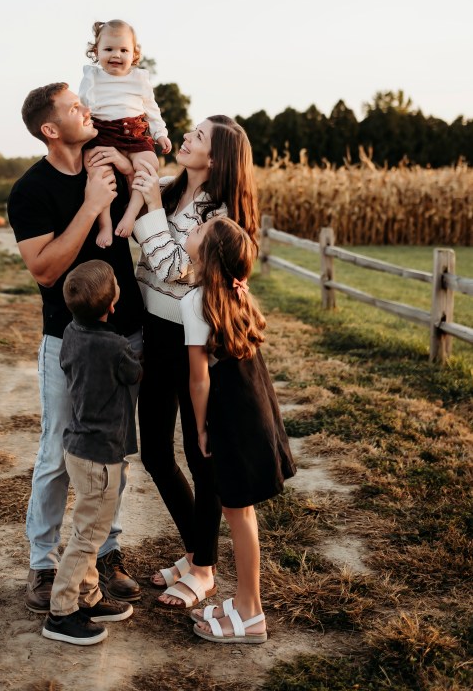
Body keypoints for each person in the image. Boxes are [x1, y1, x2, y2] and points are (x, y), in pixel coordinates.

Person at [7, 82, 144, 614]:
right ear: (50, 129)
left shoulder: (105, 163)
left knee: (114, 451)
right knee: (57, 455)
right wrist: (90, 207)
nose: (86, 111)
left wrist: (128, 174)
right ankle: (44, 564)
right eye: (73, 108)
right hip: (66, 342)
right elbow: (43, 271)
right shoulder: (31, 190)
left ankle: (103, 555)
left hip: (125, 333)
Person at [130, 115, 259, 610]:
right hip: (153, 330)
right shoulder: (168, 186)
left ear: (218, 157)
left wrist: (153, 209)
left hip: (193, 337)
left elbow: (176, 268)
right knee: (155, 452)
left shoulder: (220, 213)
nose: (186, 137)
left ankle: (203, 570)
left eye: (198, 136)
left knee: (199, 453)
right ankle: (197, 551)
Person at [183, 216, 296, 643]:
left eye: (198, 231)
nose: (192, 230)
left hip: (231, 415)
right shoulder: (232, 294)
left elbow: (199, 380)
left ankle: (251, 614)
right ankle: (246, 602)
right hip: (255, 405)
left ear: (207, 255)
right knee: (241, 512)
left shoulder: (195, 302)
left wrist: (200, 429)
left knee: (237, 512)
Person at [42, 260, 142, 646]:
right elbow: (134, 373)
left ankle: (89, 596)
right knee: (87, 537)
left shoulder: (70, 332)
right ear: (113, 302)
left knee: (89, 529)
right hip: (101, 457)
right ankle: (62, 612)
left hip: (78, 448)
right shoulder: (115, 346)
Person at [79, 19, 172, 247]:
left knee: (149, 165)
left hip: (134, 132)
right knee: (97, 171)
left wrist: (160, 133)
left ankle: (130, 214)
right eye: (108, 49)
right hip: (102, 131)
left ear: (134, 53)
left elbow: (151, 109)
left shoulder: (139, 78)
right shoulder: (92, 76)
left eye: (123, 50)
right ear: (96, 51)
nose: (116, 55)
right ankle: (105, 223)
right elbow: (83, 104)